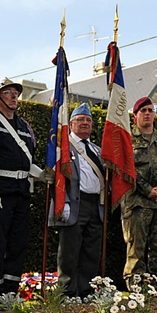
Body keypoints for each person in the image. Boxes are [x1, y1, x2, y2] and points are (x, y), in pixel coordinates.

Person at [0, 79, 38, 298]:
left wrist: (43, 174)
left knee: (18, 243)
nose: (14, 96)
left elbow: (26, 159)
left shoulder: (24, 126)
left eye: (16, 93)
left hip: (21, 191)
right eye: (8, 92)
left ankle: (10, 293)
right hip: (1, 190)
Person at [122, 96, 157, 285]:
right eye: (143, 111)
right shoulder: (128, 140)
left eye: (150, 110)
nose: (147, 114)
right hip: (138, 203)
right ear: (135, 116)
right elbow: (127, 169)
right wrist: (147, 190)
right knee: (135, 249)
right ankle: (135, 288)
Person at [52, 103, 104, 298]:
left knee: (91, 251)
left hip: (95, 205)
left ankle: (85, 291)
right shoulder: (63, 147)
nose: (85, 123)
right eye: (80, 119)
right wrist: (62, 202)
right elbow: (57, 177)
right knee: (69, 252)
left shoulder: (98, 151)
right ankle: (67, 293)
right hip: (74, 203)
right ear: (71, 124)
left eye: (88, 120)